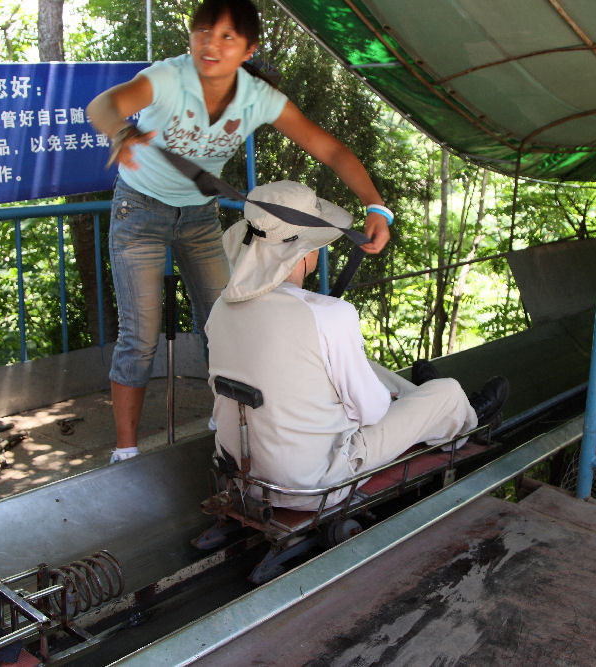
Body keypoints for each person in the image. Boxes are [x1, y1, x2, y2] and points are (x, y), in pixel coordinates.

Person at [86, 0, 393, 462]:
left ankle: (224, 422)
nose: (211, 44)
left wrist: (376, 205)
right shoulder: (168, 77)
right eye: (204, 31)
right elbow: (105, 103)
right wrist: (118, 131)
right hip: (140, 212)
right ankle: (125, 453)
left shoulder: (258, 98)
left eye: (228, 37)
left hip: (199, 216)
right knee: (140, 336)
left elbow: (329, 149)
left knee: (225, 319)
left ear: (249, 49)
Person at [206, 181, 509, 510]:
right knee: (446, 390)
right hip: (312, 484)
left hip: (239, 477)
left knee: (367, 369)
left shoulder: (220, 309)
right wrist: (366, 403)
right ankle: (462, 416)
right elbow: (373, 412)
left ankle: (419, 396)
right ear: (308, 250)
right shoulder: (328, 315)